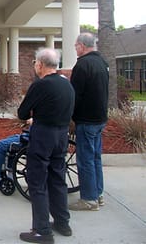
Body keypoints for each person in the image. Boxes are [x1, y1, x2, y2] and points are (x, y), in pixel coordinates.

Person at [18, 48, 74, 243]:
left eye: (35, 62)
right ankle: (62, 223)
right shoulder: (66, 84)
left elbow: (22, 113)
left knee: (37, 181)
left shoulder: (40, 86)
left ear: (40, 64)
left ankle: (42, 230)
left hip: (43, 137)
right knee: (58, 178)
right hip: (61, 136)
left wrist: (34, 117)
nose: (34, 66)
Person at [69, 32, 109, 211]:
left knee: (85, 159)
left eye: (76, 46)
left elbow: (75, 96)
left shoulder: (82, 65)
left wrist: (69, 116)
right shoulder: (102, 63)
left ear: (82, 46)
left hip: (86, 120)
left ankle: (89, 199)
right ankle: (98, 194)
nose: (75, 49)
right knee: (95, 158)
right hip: (100, 119)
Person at [0, 119, 32, 190]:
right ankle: (10, 175)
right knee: (10, 140)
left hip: (31, 139)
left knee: (1, 145)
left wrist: (34, 120)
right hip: (36, 137)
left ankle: (0, 178)